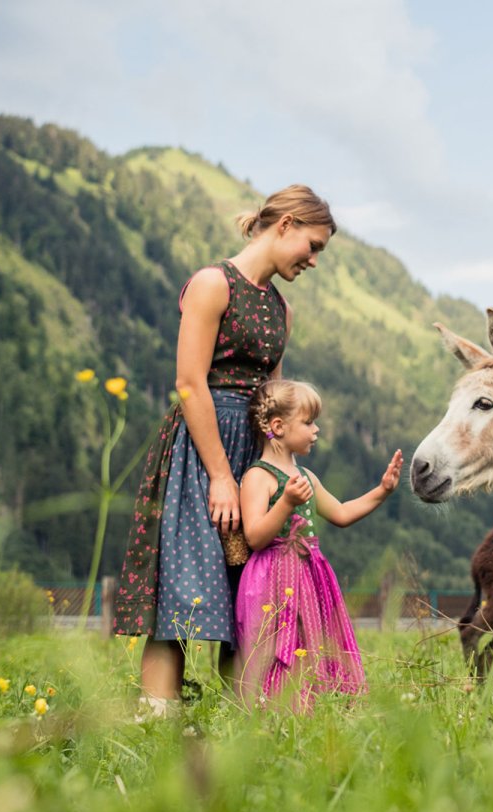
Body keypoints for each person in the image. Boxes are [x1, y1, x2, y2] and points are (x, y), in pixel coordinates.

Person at [112, 185, 336, 716]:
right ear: (284, 225)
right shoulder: (213, 285)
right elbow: (189, 382)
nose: (313, 259)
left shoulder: (281, 310)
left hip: (252, 455)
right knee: (184, 586)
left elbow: (274, 402)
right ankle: (155, 724)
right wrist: (219, 474)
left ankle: (247, 722)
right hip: (202, 448)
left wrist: (274, 471)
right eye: (313, 244)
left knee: (251, 584)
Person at [234, 379, 403, 708]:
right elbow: (254, 536)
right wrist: (285, 502)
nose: (317, 430)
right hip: (272, 578)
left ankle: (315, 708)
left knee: (314, 641)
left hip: (311, 578)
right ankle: (276, 713)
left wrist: (382, 491)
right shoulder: (258, 477)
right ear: (278, 426)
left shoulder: (307, 476)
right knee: (277, 644)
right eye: (309, 422)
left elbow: (340, 512)